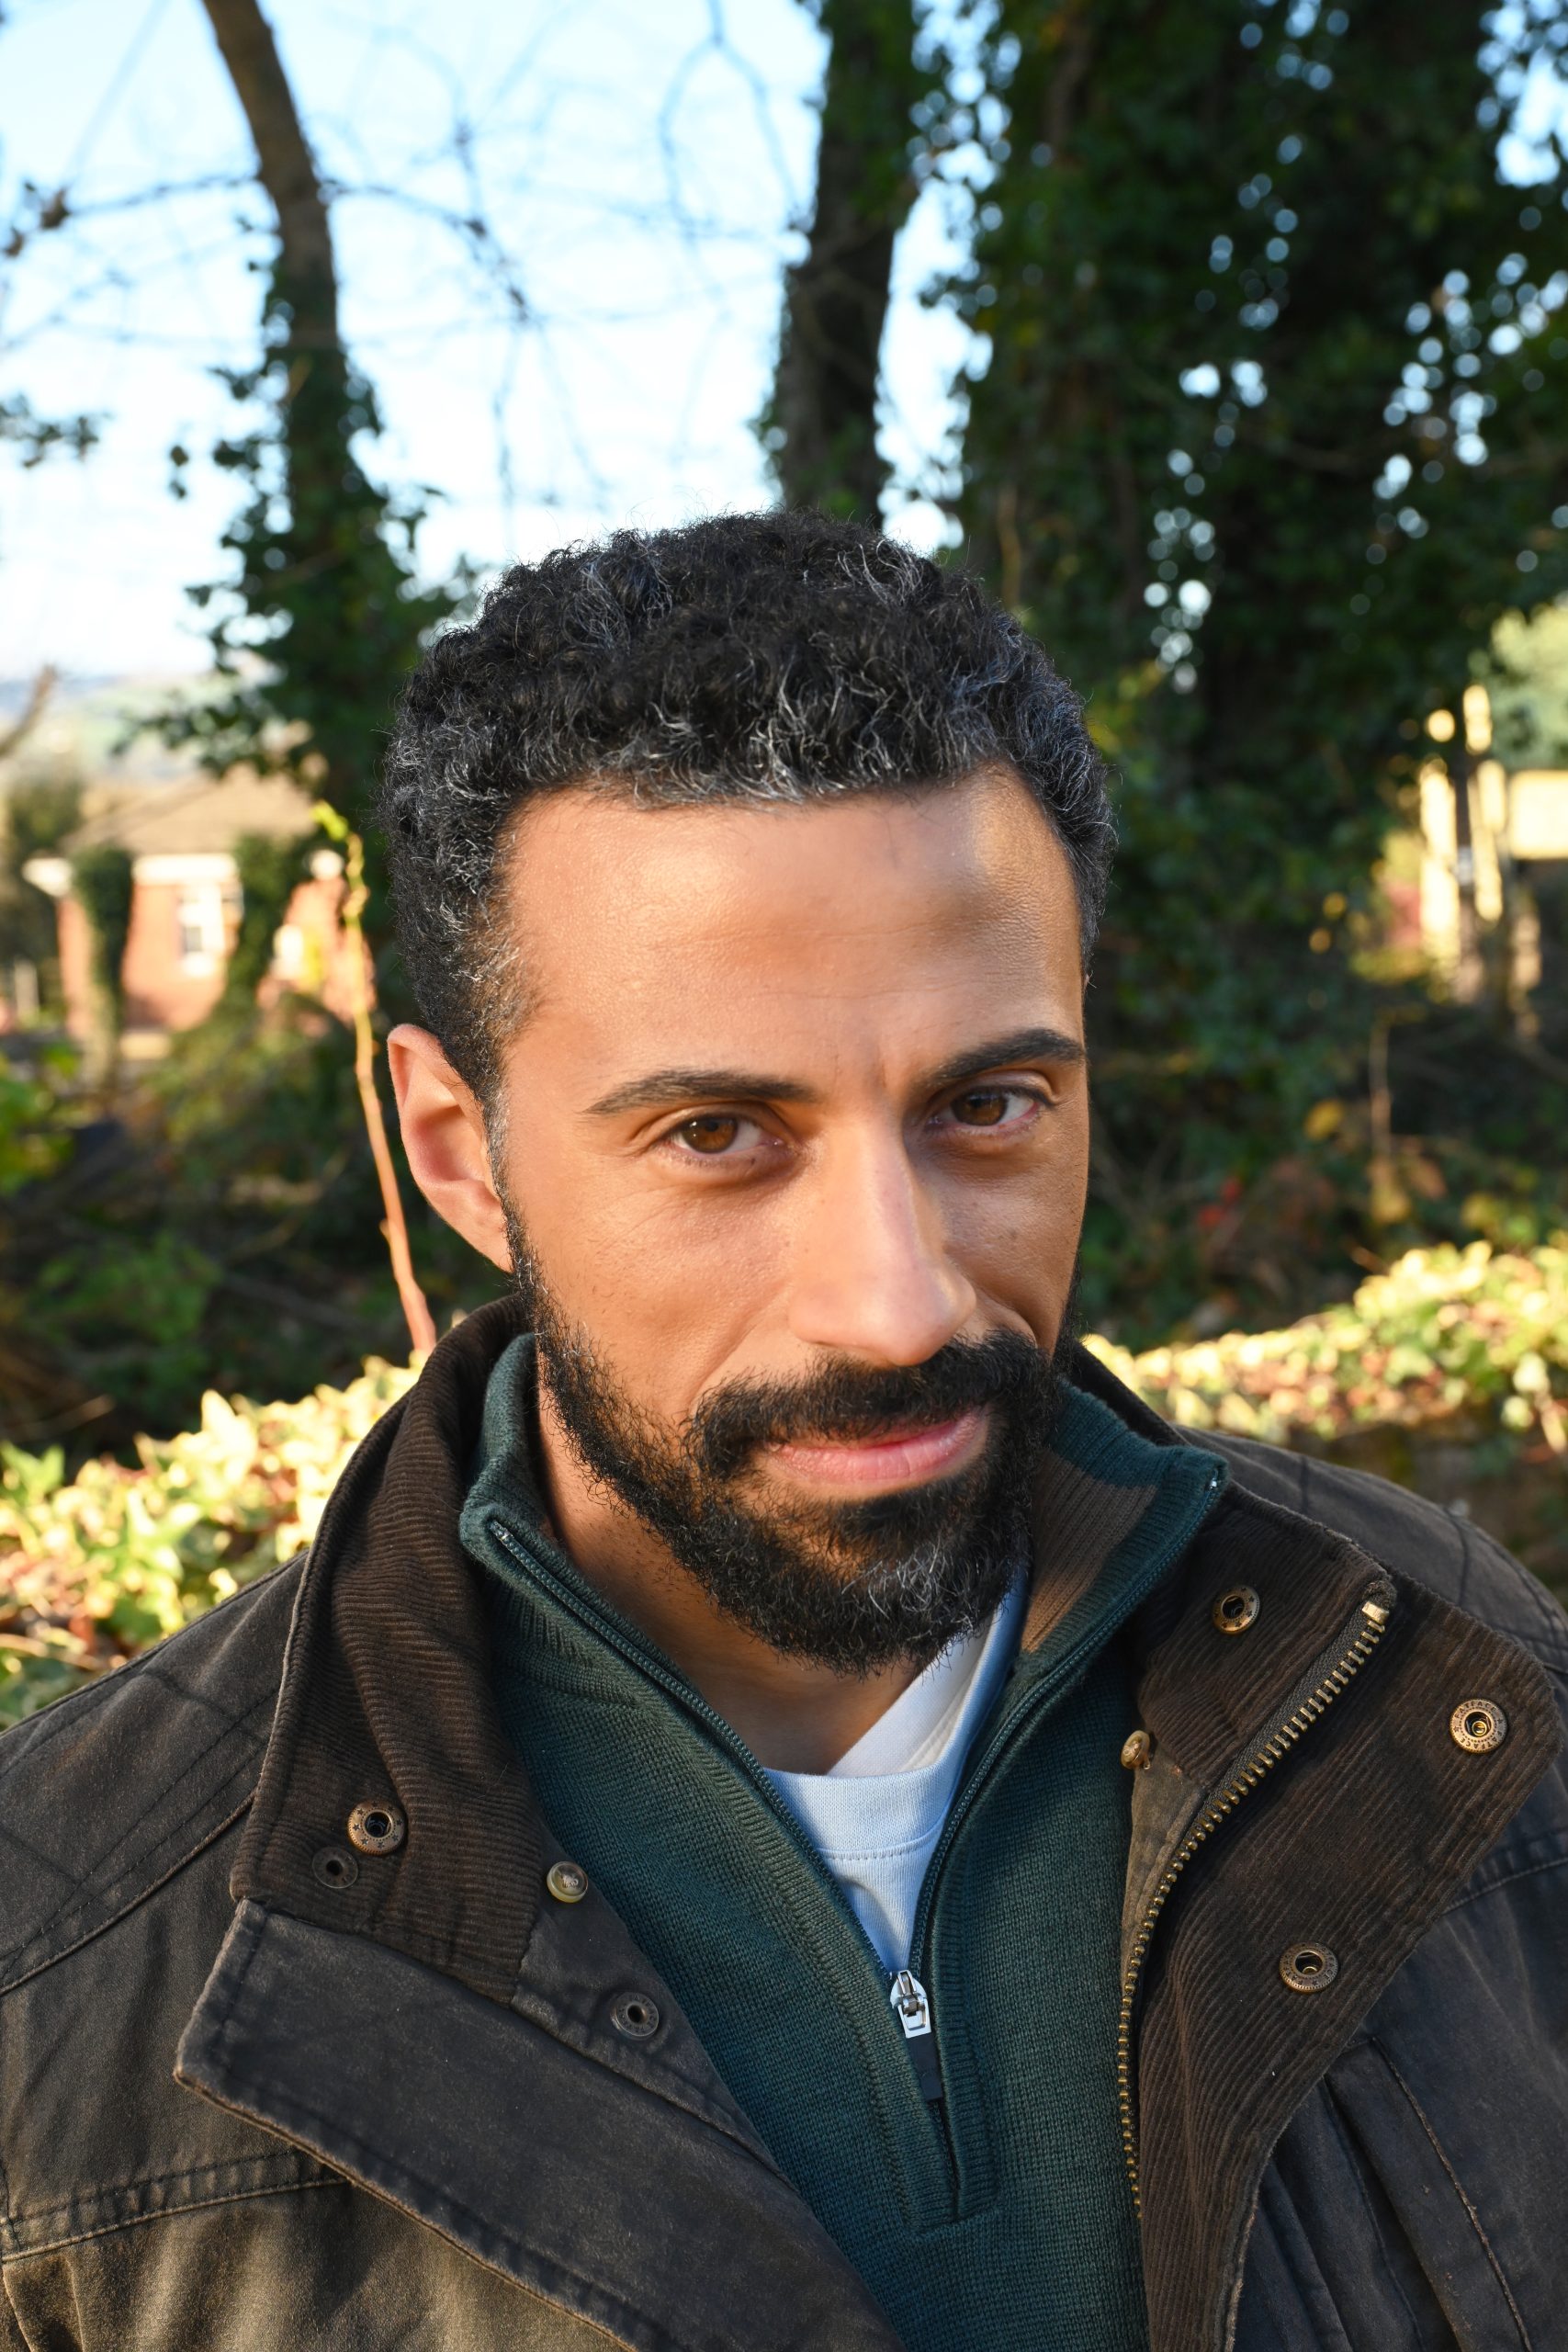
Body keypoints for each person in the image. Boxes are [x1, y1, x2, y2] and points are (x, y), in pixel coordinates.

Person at [1, 514, 1564, 2352]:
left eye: (987, 1105)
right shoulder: (61, 1964)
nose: (894, 1303)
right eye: (717, 1135)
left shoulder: (1453, 1673)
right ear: (459, 1155)